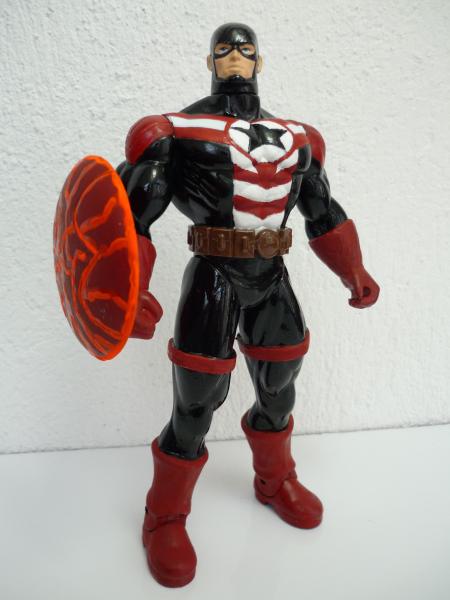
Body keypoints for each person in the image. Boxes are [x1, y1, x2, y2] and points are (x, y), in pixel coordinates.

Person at [116, 22, 380, 588]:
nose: (235, 56)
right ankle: (164, 515)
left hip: (272, 274)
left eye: (245, 49)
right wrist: (126, 291)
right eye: (224, 49)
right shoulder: (175, 132)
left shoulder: (298, 137)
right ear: (209, 60)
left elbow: (322, 210)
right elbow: (132, 216)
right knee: (197, 401)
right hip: (213, 274)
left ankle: (274, 479)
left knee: (280, 385)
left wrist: (352, 270)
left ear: (259, 61)